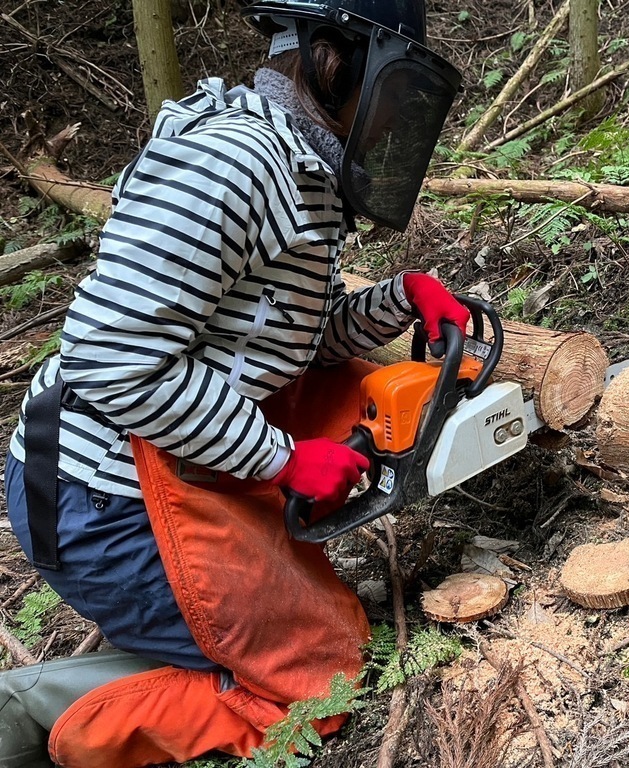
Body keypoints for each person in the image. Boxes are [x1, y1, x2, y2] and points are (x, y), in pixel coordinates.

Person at [0, 1, 468, 765]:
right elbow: (112, 360)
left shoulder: (302, 168)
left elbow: (282, 342)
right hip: (102, 499)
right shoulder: (235, 162)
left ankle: (182, 650)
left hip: (176, 466)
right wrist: (282, 459)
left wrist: (400, 298)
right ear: (331, 58)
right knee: (316, 690)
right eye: (390, 95)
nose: (388, 127)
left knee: (335, 633)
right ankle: (39, 713)